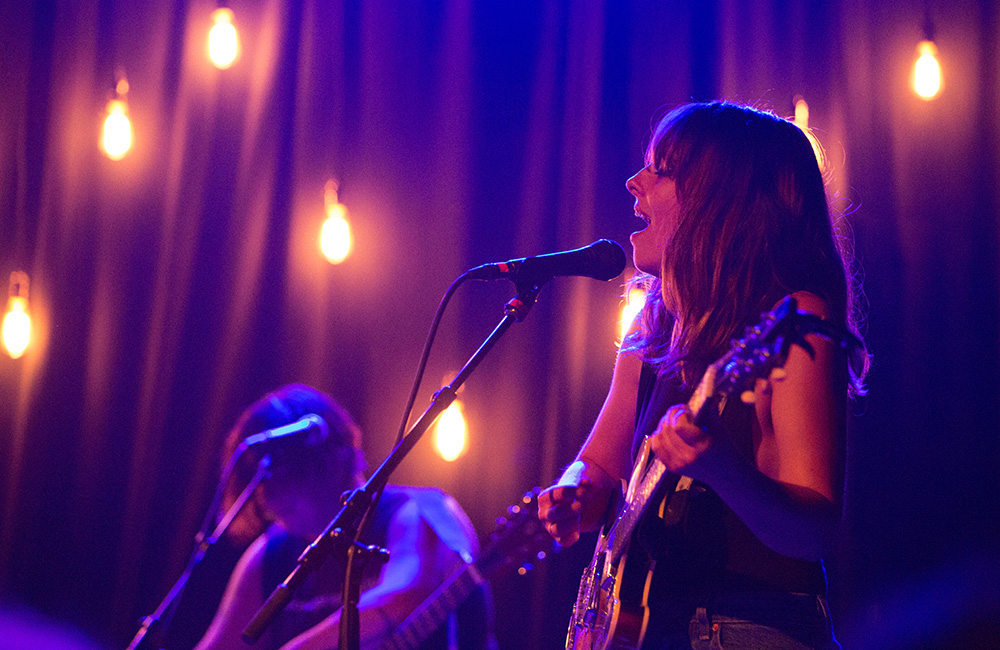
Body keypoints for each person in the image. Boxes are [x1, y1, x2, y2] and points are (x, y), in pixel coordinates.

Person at [538, 101, 869, 649]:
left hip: (750, 625)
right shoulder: (651, 324)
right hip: (654, 626)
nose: (633, 182)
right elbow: (598, 463)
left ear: (720, 202)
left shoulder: (793, 319)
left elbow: (814, 531)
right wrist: (574, 494)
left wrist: (721, 466)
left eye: (661, 170)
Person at [194, 384, 494, 650]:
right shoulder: (270, 554)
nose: (267, 495)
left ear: (330, 461)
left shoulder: (419, 510)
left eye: (281, 474)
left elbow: (405, 594)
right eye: (258, 480)